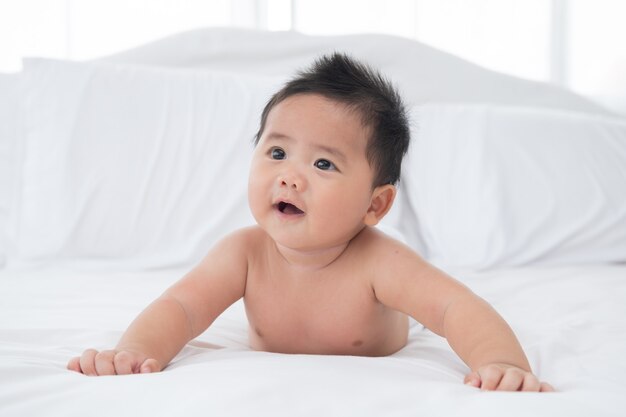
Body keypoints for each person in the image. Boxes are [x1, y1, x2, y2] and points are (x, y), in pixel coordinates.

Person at [68, 53, 553, 392]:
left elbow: (454, 310)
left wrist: (501, 363)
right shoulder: (243, 253)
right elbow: (182, 309)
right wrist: (133, 351)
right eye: (277, 152)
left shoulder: (381, 262)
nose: (290, 177)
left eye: (323, 164)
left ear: (375, 206)